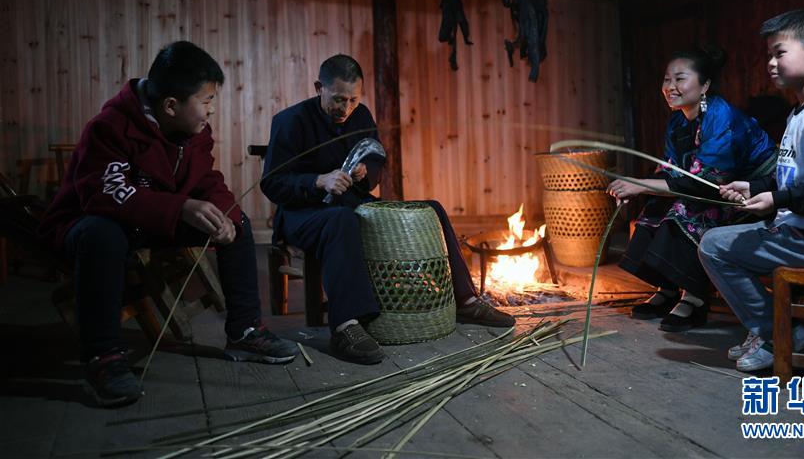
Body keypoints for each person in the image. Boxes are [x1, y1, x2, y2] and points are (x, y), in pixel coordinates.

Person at [39, 41, 299, 407]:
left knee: (236, 223)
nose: (211, 110)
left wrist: (222, 212)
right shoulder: (110, 127)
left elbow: (205, 178)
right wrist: (180, 207)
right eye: (206, 100)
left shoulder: (193, 130)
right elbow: (104, 195)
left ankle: (244, 330)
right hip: (90, 222)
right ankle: (104, 358)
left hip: (153, 220)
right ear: (171, 105)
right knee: (102, 235)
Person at [261, 54, 515, 365]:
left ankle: (465, 299)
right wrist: (318, 181)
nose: (345, 108)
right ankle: (346, 325)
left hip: (353, 204)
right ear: (319, 88)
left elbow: (377, 161)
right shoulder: (290, 121)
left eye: (353, 100)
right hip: (303, 213)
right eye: (339, 99)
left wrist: (366, 172)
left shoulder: (361, 116)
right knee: (340, 220)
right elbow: (272, 183)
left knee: (430, 209)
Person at [699, 9, 804, 372]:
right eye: (769, 56)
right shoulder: (800, 112)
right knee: (715, 240)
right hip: (802, 233)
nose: (770, 63)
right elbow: (797, 178)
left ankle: (779, 332)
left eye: (779, 53)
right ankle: (773, 328)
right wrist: (758, 186)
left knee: (714, 247)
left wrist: (779, 199)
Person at [607, 45, 776, 332]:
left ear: (705, 85)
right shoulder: (677, 121)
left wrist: (641, 185)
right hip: (714, 190)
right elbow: (672, 169)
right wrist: (638, 188)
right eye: (666, 80)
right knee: (656, 205)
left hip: (752, 196)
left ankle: (695, 297)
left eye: (680, 79)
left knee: (689, 209)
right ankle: (668, 287)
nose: (670, 87)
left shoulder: (722, 116)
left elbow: (707, 183)